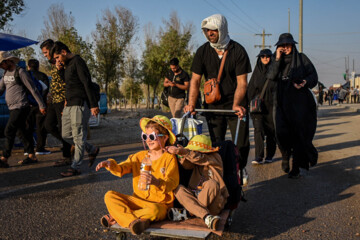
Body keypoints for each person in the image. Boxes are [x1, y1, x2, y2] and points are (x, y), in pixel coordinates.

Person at [184, 14, 251, 172]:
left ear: (222, 29)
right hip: (213, 106)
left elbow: (242, 83)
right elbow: (195, 80)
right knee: (216, 144)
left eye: (213, 30)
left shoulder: (238, 51)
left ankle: (239, 170)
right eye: (207, 30)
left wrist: (236, 104)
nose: (210, 33)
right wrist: (191, 104)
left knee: (241, 144)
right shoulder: (202, 51)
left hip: (236, 106)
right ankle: (220, 174)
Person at [96, 115, 179, 235]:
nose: (148, 140)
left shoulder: (169, 158)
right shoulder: (139, 156)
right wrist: (110, 164)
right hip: (137, 202)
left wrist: (157, 182)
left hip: (158, 204)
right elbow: (121, 168)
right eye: (145, 136)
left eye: (152, 136)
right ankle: (134, 221)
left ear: (165, 138)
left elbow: (172, 182)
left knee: (155, 211)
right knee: (109, 196)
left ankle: (119, 216)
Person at [267, 33, 318, 178]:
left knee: (298, 135)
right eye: (282, 45)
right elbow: (271, 76)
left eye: (288, 45)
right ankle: (285, 155)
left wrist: (304, 82)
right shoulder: (276, 59)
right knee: (281, 133)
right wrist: (276, 58)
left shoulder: (302, 58)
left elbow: (313, 76)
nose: (285, 48)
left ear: (292, 45)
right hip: (281, 102)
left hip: (299, 104)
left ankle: (295, 167)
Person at [50, 41, 100, 177]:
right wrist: (60, 70)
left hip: (79, 103)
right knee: (65, 134)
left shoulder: (78, 61)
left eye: (57, 57)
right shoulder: (66, 66)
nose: (57, 60)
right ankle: (92, 149)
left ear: (64, 52)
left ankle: (75, 166)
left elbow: (86, 82)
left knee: (78, 137)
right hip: (69, 104)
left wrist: (93, 104)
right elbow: (68, 83)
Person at [166, 134, 228, 231]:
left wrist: (186, 152)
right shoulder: (194, 161)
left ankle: (190, 213)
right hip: (196, 196)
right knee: (178, 188)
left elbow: (200, 158)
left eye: (195, 151)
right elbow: (186, 165)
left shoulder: (215, 157)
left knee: (212, 183)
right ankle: (204, 216)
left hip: (214, 202)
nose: (192, 152)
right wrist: (180, 154)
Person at [0, 51, 46, 168]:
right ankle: (31, 156)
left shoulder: (20, 72)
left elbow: (33, 89)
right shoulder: (5, 73)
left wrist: (41, 105)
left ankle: (4, 158)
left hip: (21, 106)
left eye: (1, 63)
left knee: (9, 130)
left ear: (8, 61)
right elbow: (1, 89)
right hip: (12, 107)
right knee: (22, 132)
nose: (0, 66)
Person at [40, 39, 72, 166]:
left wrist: (67, 100)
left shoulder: (62, 62)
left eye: (45, 52)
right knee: (48, 125)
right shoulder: (52, 63)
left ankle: (67, 156)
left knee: (63, 129)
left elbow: (68, 81)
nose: (45, 55)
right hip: (54, 100)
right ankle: (70, 144)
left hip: (62, 100)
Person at [247, 49, 277, 164]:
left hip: (271, 106)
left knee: (271, 131)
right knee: (258, 130)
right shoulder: (257, 72)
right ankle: (258, 156)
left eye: (268, 56)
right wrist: (246, 105)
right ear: (259, 58)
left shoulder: (274, 72)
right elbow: (250, 89)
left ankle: (269, 155)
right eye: (262, 56)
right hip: (257, 108)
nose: (265, 58)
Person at [24, 59, 51, 155]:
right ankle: (40, 148)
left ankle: (28, 149)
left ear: (28, 66)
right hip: (40, 105)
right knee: (41, 127)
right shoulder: (43, 76)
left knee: (28, 127)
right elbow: (46, 89)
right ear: (38, 66)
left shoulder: (25, 74)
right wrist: (41, 102)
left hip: (28, 105)